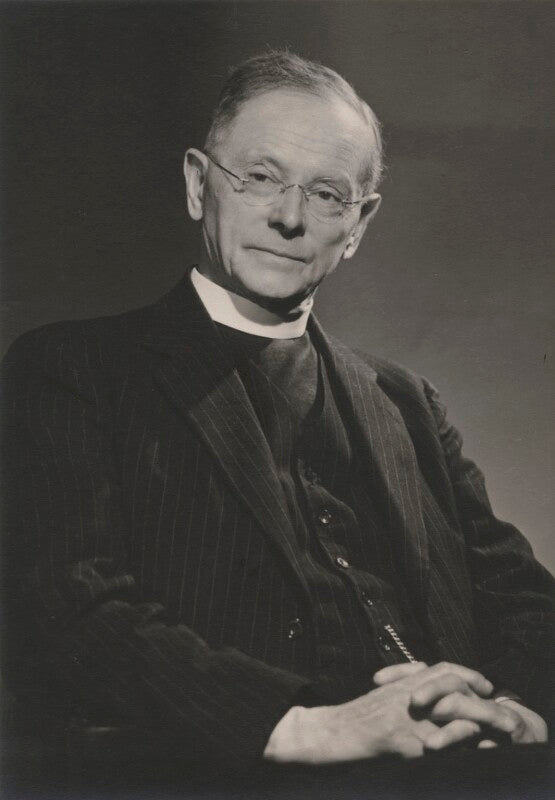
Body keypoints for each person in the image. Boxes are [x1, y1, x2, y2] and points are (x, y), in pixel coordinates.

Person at [1, 51, 553, 775]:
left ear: (357, 224)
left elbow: (525, 600)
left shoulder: (407, 402)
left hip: (459, 770)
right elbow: (71, 607)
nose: (288, 217)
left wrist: (511, 705)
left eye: (326, 194)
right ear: (198, 184)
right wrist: (307, 729)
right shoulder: (74, 371)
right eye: (259, 177)